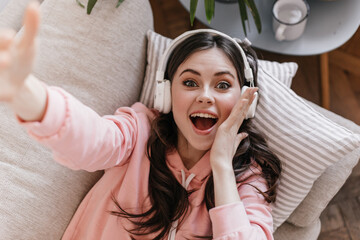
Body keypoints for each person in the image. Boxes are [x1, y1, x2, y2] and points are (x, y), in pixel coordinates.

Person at [0, 2, 281, 240]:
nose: (205, 96)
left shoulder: (249, 177)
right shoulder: (139, 132)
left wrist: (221, 168)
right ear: (166, 94)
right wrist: (30, 95)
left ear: (246, 100)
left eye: (222, 85)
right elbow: (91, 139)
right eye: (190, 82)